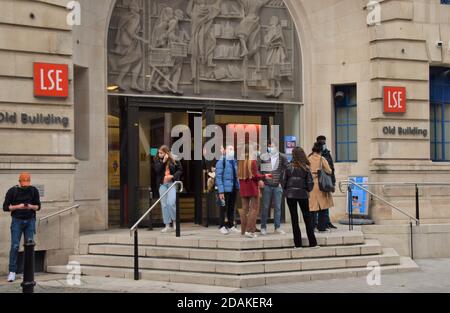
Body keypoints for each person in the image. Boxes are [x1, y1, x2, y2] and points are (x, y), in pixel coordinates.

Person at [3, 172, 41, 283]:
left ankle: (27, 273)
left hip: (30, 221)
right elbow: (5, 207)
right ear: (19, 181)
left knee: (29, 247)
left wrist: (30, 206)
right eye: (23, 183)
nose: (25, 185)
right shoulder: (12, 191)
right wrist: (18, 206)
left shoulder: (33, 190)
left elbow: (38, 206)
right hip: (17, 221)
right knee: (15, 246)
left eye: (27, 183)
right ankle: (12, 272)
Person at [281, 147, 319, 248]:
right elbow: (310, 183)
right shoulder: (306, 168)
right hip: (303, 195)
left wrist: (286, 190)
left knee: (294, 219)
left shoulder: (288, 167)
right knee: (307, 218)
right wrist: (306, 190)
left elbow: (283, 181)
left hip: (290, 195)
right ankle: (313, 242)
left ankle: (297, 244)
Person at [238, 145, 272, 238]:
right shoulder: (252, 161)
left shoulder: (240, 162)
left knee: (244, 209)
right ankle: (250, 231)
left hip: (243, 188)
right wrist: (265, 176)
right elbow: (256, 176)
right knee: (254, 209)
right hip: (252, 188)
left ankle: (243, 230)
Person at [259, 142, 289, 235]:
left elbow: (287, 169)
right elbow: (259, 169)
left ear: (276, 147)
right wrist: (261, 179)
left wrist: (282, 182)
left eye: (272, 146)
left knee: (278, 207)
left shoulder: (282, 156)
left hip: (277, 185)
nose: (270, 148)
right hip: (267, 185)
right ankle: (263, 227)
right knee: (265, 207)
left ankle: (277, 227)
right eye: (269, 146)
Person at [154, 145, 183, 233]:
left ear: (166, 153)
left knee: (171, 203)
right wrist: (163, 161)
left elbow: (180, 170)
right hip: (162, 184)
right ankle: (167, 225)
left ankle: (175, 222)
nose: (159, 154)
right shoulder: (157, 160)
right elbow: (157, 170)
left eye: (161, 153)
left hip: (172, 184)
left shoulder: (174, 159)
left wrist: (173, 176)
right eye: (159, 153)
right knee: (164, 205)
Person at [308, 142, 335, 232]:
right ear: (320, 150)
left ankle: (312, 227)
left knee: (312, 208)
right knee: (322, 208)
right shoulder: (321, 159)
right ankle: (321, 227)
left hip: (311, 185)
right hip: (321, 185)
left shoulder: (308, 159)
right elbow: (329, 171)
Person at [215, 145, 240, 235]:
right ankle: (221, 226)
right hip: (224, 189)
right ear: (225, 151)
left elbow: (236, 175)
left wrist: (238, 186)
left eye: (233, 149)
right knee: (223, 208)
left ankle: (230, 225)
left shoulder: (234, 161)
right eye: (230, 149)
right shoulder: (221, 161)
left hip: (233, 188)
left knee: (231, 208)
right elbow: (218, 177)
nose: (232, 151)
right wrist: (220, 191)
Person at [317, 136, 337, 229]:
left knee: (327, 202)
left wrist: (333, 181)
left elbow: (332, 168)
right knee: (320, 204)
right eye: (322, 143)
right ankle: (320, 222)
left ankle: (327, 221)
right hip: (320, 182)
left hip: (328, 181)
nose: (324, 144)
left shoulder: (327, 153)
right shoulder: (317, 155)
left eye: (324, 142)